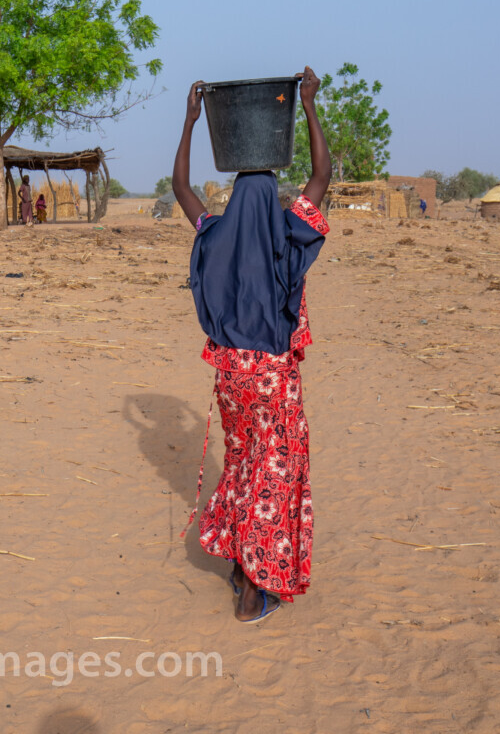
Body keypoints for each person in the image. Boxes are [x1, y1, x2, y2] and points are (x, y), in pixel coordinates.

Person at [171, 68, 331, 624]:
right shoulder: (288, 237)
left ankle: (242, 563)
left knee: (242, 465)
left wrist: (190, 123)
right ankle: (252, 582)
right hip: (273, 379)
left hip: (231, 379)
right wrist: (308, 105)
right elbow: (321, 177)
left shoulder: (215, 236)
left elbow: (183, 191)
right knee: (273, 476)